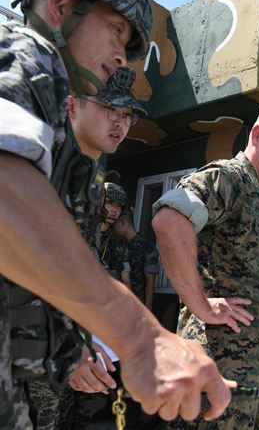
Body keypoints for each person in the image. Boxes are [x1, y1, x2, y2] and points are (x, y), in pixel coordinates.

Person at [0, 0, 233, 429]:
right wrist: (142, 339)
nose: (121, 59)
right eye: (116, 30)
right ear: (61, 2)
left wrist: (72, 343)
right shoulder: (24, 51)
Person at [151, 101, 259, 430]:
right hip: (220, 373)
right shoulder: (228, 179)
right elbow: (169, 221)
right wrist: (200, 305)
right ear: (256, 134)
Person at [25, 67, 146, 430]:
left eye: (128, 115)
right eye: (111, 109)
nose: (121, 123)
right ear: (73, 105)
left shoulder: (88, 188)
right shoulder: (36, 165)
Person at [113, 208, 159, 310]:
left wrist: (148, 308)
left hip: (137, 305)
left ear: (122, 223)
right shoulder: (118, 246)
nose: (114, 229)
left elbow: (150, 280)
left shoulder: (147, 248)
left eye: (115, 225)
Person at [98, 182, 131, 281]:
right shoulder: (81, 232)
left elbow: (125, 279)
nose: (114, 210)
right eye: (110, 203)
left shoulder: (118, 243)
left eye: (119, 206)